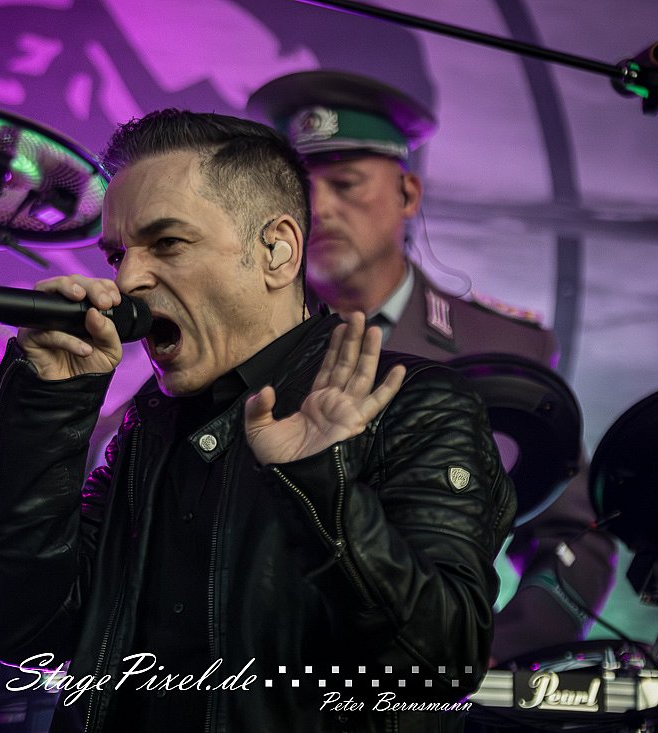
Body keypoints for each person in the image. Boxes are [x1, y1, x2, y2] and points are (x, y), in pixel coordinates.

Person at [0, 109, 515, 733]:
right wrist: (45, 411)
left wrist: (321, 492)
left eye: (168, 244)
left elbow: (441, 666)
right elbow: (23, 631)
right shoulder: (147, 426)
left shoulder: (416, 404)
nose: (126, 280)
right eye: (118, 254)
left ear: (277, 251)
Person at [247, 70, 615, 663]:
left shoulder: (501, 344)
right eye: (298, 191)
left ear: (408, 194)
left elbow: (571, 535)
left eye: (345, 184)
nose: (319, 209)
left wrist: (492, 653)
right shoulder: (244, 344)